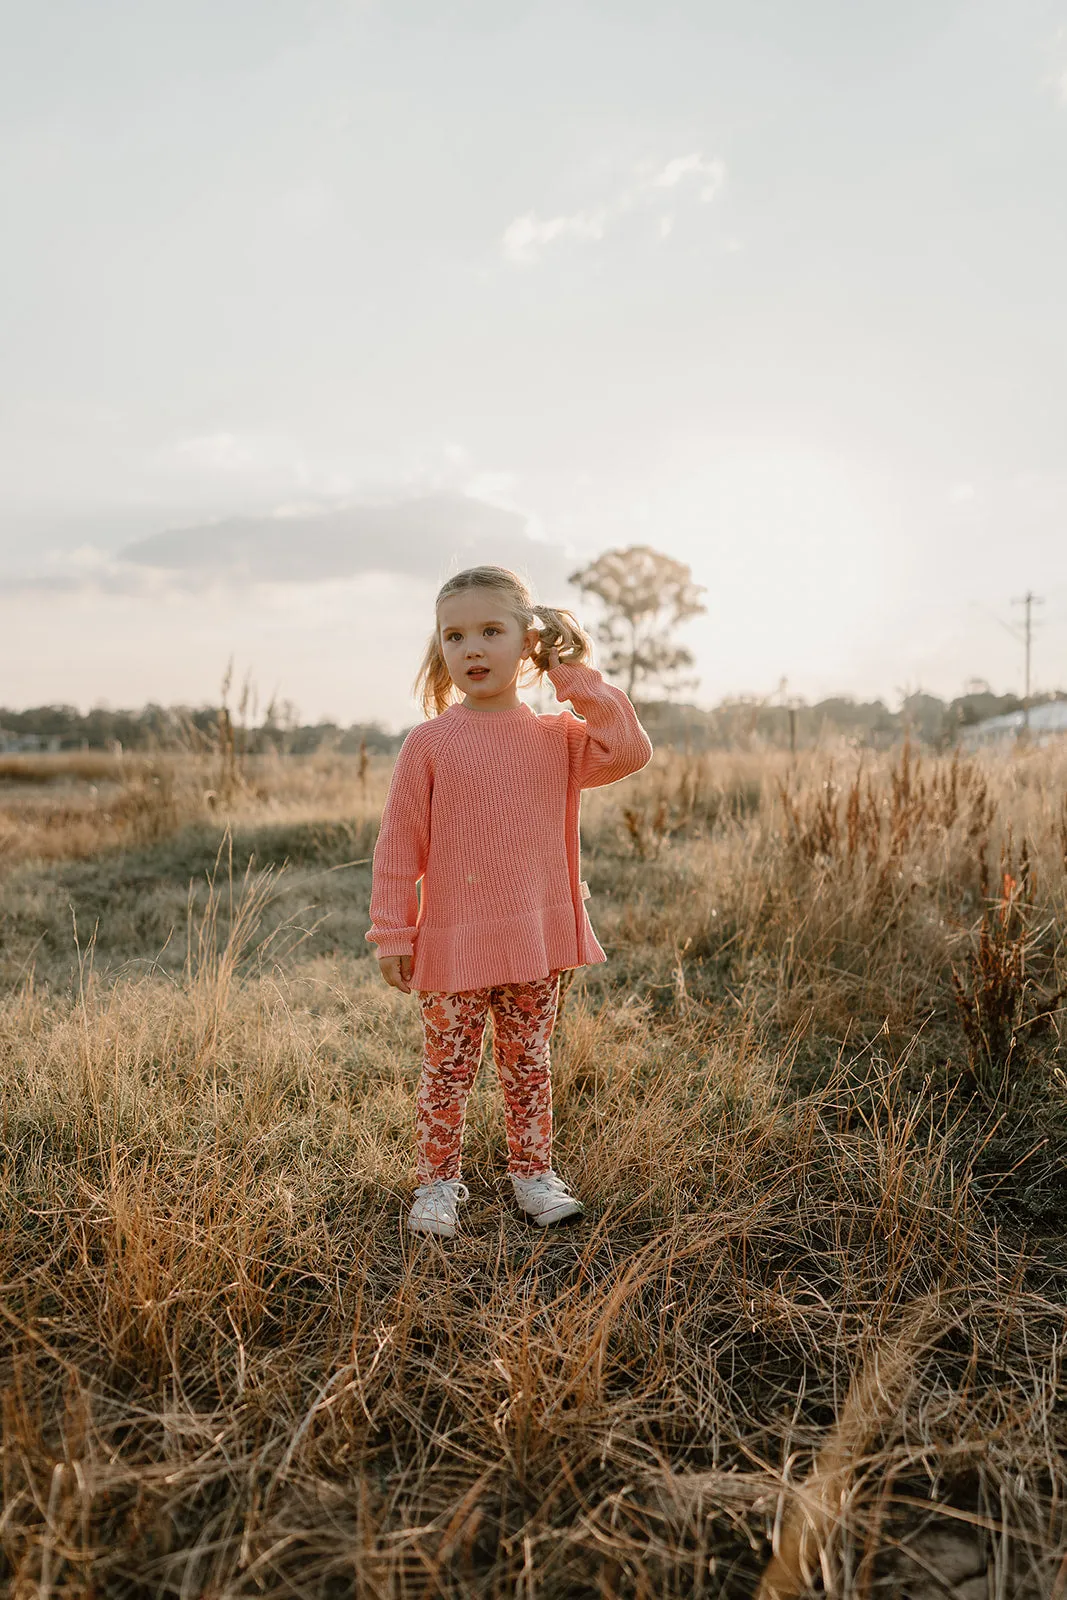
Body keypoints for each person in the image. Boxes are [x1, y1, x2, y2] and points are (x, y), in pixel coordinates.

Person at [365, 564, 654, 1238]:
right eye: (454, 634)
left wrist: (572, 672)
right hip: (454, 943)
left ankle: (532, 1174)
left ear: (527, 642)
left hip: (533, 939)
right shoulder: (430, 743)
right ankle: (436, 1185)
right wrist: (393, 934)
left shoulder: (558, 738)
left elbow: (630, 748)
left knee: (528, 1066)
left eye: (491, 631)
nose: (471, 648)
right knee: (447, 1072)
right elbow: (397, 845)